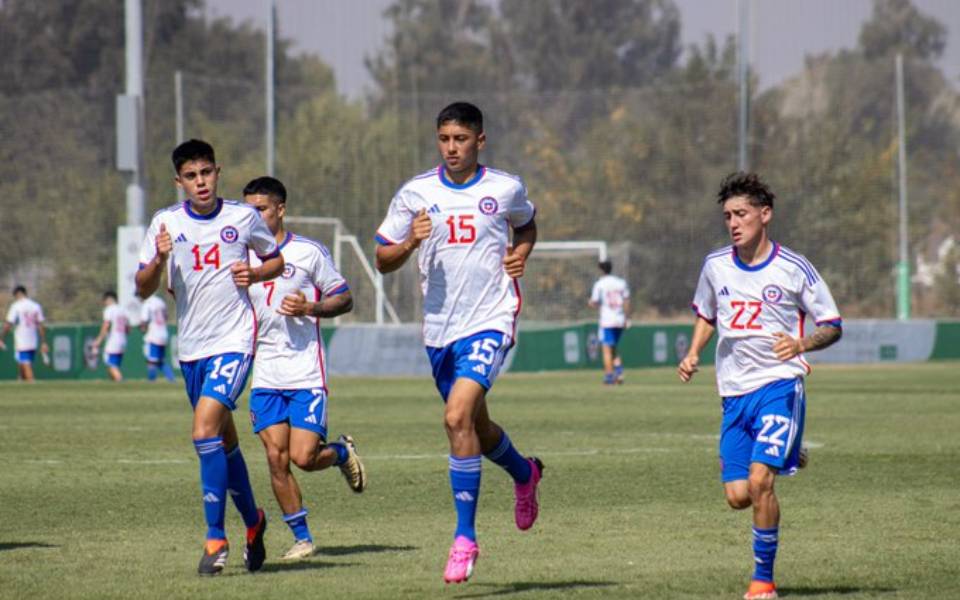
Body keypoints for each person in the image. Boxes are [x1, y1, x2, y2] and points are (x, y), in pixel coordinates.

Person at [374, 101, 544, 584]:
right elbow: (383, 258)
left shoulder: (504, 187)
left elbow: (527, 222)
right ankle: (524, 474)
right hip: (440, 330)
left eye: (461, 139)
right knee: (478, 429)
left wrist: (521, 252)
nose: (452, 148)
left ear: (480, 141)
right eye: (445, 139)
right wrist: (410, 243)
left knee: (454, 417)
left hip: (492, 318)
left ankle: (465, 538)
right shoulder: (415, 194)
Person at [678, 172, 842, 600]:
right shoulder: (715, 265)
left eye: (742, 214)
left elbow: (832, 325)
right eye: (728, 216)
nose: (733, 223)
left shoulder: (794, 268)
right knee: (737, 496)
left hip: (779, 384)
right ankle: (788, 448)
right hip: (733, 391)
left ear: (765, 215)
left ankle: (763, 582)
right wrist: (694, 351)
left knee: (760, 481)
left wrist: (801, 343)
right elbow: (707, 314)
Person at [135, 139, 284, 575]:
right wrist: (159, 260)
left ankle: (216, 538)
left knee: (203, 431)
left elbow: (274, 261)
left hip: (234, 341)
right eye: (191, 176)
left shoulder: (243, 217)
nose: (201, 182)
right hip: (192, 350)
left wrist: (255, 272)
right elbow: (143, 288)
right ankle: (254, 522)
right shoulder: (165, 223)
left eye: (207, 173)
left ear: (218, 172)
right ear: (178, 181)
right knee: (224, 442)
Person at [243, 176, 367, 561]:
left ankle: (342, 455)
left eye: (260, 209)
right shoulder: (239, 255)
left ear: (280, 209)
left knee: (304, 458)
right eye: (247, 210)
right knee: (275, 458)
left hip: (305, 373)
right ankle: (302, 538)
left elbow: (344, 298)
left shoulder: (309, 253)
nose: (253, 217)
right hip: (264, 375)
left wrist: (310, 307)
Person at [589, 260, 631, 385]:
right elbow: (626, 301)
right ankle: (619, 373)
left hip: (607, 321)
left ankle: (609, 377)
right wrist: (627, 318)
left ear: (601, 270)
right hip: (619, 319)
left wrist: (591, 303)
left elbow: (595, 301)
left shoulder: (600, 284)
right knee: (613, 348)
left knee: (606, 350)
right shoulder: (621, 283)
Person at [1, 286, 48, 381]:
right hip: (33, 339)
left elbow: (9, 323)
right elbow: (40, 325)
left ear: (17, 294)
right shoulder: (36, 306)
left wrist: (1, 337)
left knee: (26, 364)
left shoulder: (16, 306)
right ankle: (21, 382)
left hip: (22, 339)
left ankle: (32, 383)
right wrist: (43, 342)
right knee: (22, 364)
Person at [91, 291, 128, 382]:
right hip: (123, 339)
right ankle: (115, 382)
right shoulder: (122, 310)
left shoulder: (109, 309)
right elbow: (128, 328)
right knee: (114, 365)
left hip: (113, 340)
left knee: (111, 364)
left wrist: (99, 339)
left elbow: (106, 325)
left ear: (109, 299)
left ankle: (121, 381)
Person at [140, 294, 176, 382]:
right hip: (163, 332)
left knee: (151, 359)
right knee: (160, 360)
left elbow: (144, 320)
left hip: (153, 334)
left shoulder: (147, 304)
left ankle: (151, 379)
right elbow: (166, 317)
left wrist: (143, 329)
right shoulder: (160, 301)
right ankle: (171, 378)